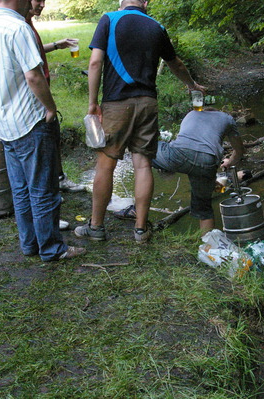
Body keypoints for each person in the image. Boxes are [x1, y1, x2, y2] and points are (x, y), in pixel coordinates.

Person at [74, 0, 206, 243]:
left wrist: (93, 103)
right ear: (146, 2)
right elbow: (175, 63)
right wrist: (192, 85)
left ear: (122, 1)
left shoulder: (109, 19)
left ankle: (96, 228)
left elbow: (95, 62)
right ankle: (141, 230)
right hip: (148, 103)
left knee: (106, 165)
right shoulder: (157, 27)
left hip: (116, 104)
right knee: (143, 165)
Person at [0, 0, 85, 261]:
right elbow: (34, 76)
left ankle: (30, 244)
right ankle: (52, 248)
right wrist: (51, 107)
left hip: (5, 122)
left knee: (21, 189)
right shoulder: (18, 28)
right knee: (43, 190)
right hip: (29, 121)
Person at [116, 108, 245, 232]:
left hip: (178, 155)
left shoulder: (192, 114)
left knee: (143, 150)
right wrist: (230, 162)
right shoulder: (227, 118)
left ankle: (138, 212)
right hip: (208, 160)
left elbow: (185, 143)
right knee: (204, 208)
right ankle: (209, 247)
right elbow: (239, 151)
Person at [26, 0, 85, 193]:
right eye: (38, 0)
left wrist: (56, 45)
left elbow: (35, 51)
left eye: (44, 1)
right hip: (33, 97)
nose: (42, 4)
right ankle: (47, 190)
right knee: (42, 143)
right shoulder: (21, 25)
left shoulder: (29, 21)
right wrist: (50, 107)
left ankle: (58, 179)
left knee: (53, 136)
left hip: (42, 93)